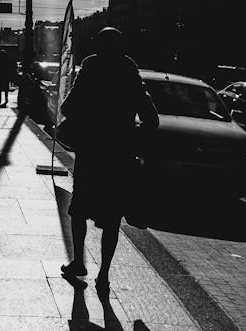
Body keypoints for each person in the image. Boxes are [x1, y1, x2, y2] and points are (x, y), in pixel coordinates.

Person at [59, 26, 158, 299]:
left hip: (91, 153)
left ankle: (79, 262)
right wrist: (131, 136)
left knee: (79, 209)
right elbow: (152, 120)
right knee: (112, 218)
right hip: (119, 157)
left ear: (99, 46)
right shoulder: (130, 72)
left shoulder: (90, 68)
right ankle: (104, 275)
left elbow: (68, 107)